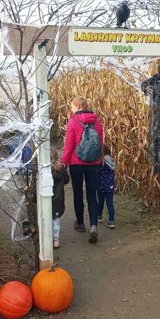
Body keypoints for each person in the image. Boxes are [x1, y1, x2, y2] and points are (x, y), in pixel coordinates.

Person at [59, 96, 104, 243]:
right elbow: (100, 144)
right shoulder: (97, 122)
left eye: (72, 107)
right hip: (95, 163)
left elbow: (69, 146)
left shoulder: (73, 122)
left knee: (78, 193)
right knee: (92, 194)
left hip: (76, 162)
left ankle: (80, 224)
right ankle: (93, 225)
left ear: (78, 106)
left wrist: (63, 163)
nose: (71, 110)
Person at [50, 147, 70, 249]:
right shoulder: (61, 169)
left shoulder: (45, 170)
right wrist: (64, 169)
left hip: (48, 199)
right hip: (58, 199)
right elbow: (67, 180)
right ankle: (56, 240)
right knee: (56, 221)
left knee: (47, 220)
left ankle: (48, 239)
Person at [97, 144, 116, 228]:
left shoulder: (102, 162)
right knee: (110, 203)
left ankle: (99, 216)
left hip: (101, 185)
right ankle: (111, 221)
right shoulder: (111, 161)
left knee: (100, 201)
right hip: (110, 186)